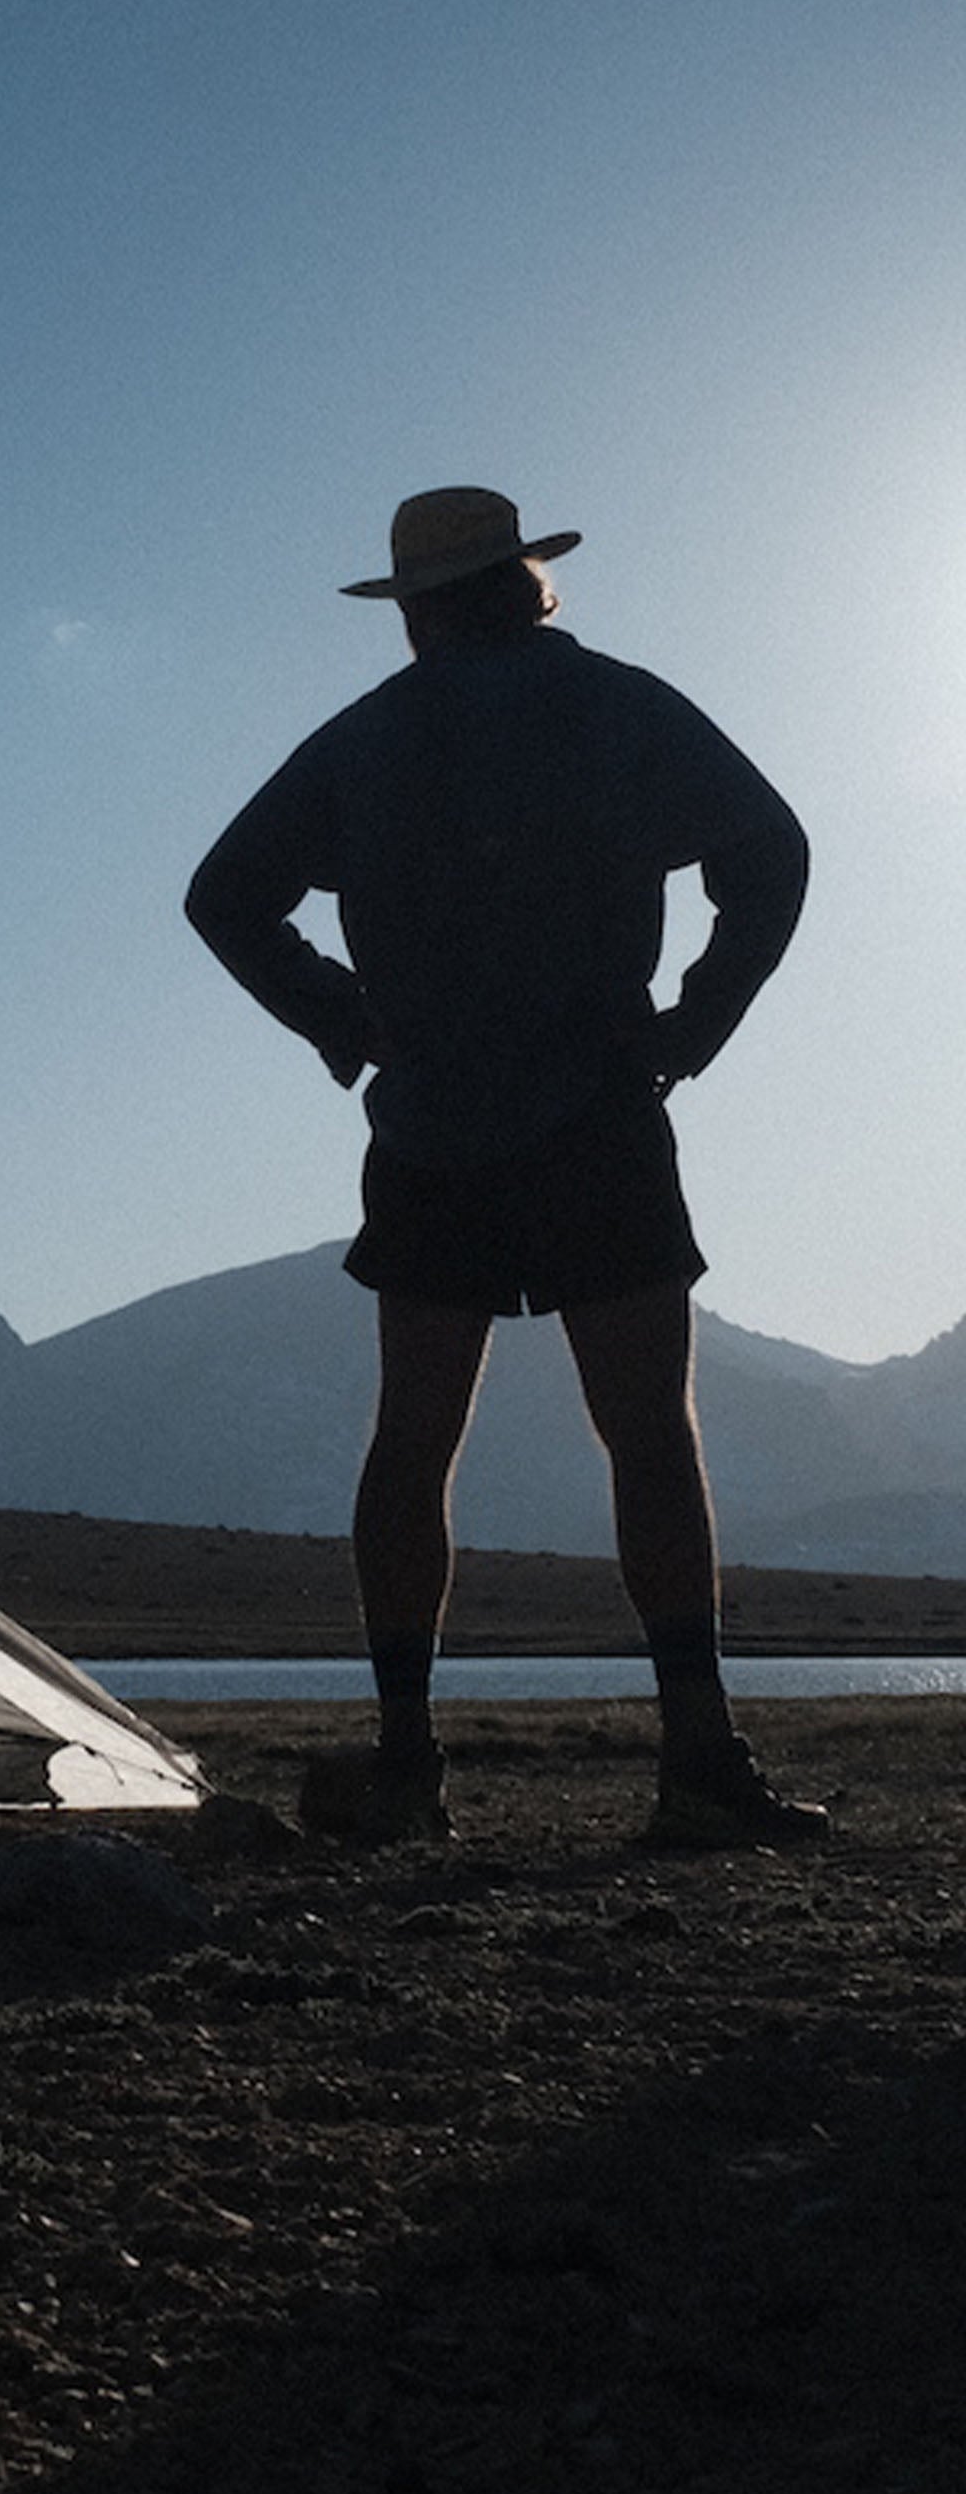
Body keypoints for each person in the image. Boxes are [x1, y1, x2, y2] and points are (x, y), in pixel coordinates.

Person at [185, 484, 825, 1848]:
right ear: (530, 582)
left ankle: (408, 1765)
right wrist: (695, 1024)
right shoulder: (621, 707)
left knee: (413, 1441)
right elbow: (768, 854)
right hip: (601, 1108)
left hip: (429, 1131)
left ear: (417, 610)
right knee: (650, 1432)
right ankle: (699, 1759)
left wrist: (344, 1019)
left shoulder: (366, 740)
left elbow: (223, 896)